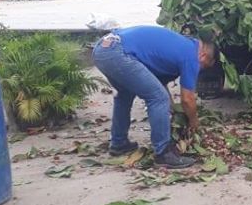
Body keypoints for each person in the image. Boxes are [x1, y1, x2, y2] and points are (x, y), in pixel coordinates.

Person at [92, 26, 217, 168]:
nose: (201, 70)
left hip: (103, 48)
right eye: (205, 66)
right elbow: (187, 99)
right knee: (158, 99)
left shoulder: (182, 46)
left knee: (125, 94)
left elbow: (158, 84)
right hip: (119, 53)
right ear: (204, 56)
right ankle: (163, 153)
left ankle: (119, 143)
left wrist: (171, 110)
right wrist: (194, 121)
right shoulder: (192, 56)